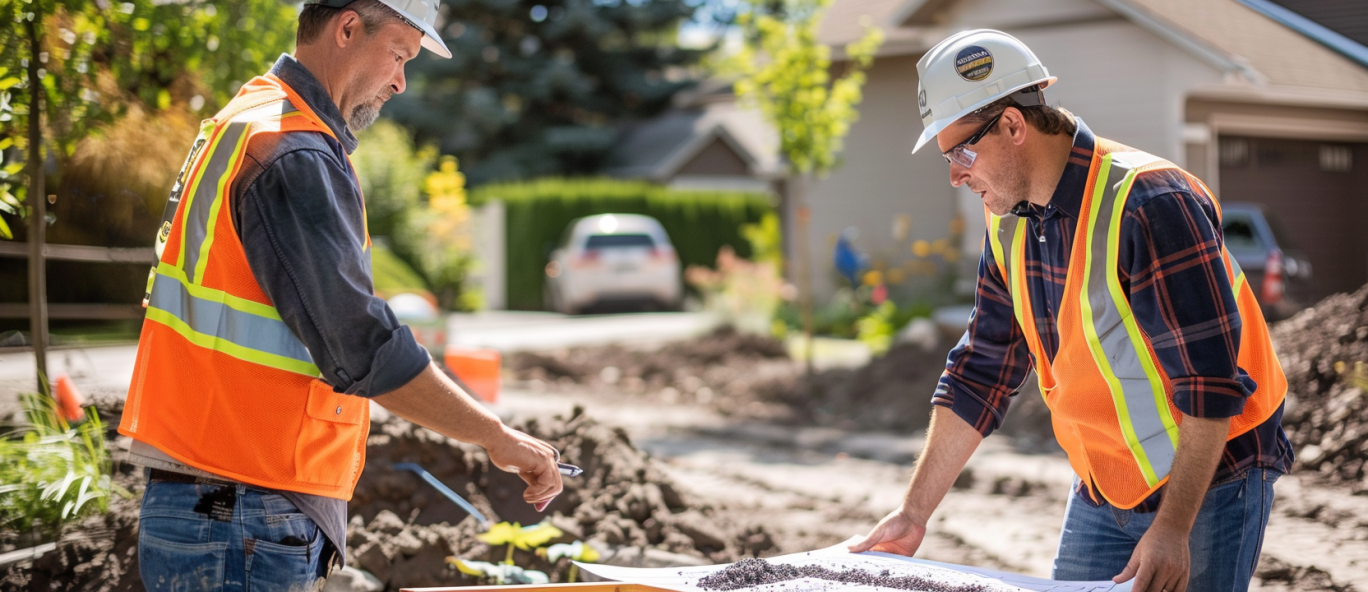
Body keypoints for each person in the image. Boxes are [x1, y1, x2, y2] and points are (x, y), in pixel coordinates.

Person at [118, 1, 564, 589]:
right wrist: (494, 436)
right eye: (399, 54)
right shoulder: (293, 152)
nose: (402, 81)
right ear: (348, 28)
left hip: (214, 499)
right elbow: (361, 344)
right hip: (244, 507)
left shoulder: (248, 118)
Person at [849, 30, 1291, 592]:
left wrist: (1171, 528)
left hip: (1210, 482)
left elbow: (1210, 384)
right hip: (1104, 485)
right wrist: (913, 514)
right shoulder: (1007, 219)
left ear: (1013, 126)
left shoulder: (1151, 202)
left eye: (961, 152)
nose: (956, 175)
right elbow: (982, 370)